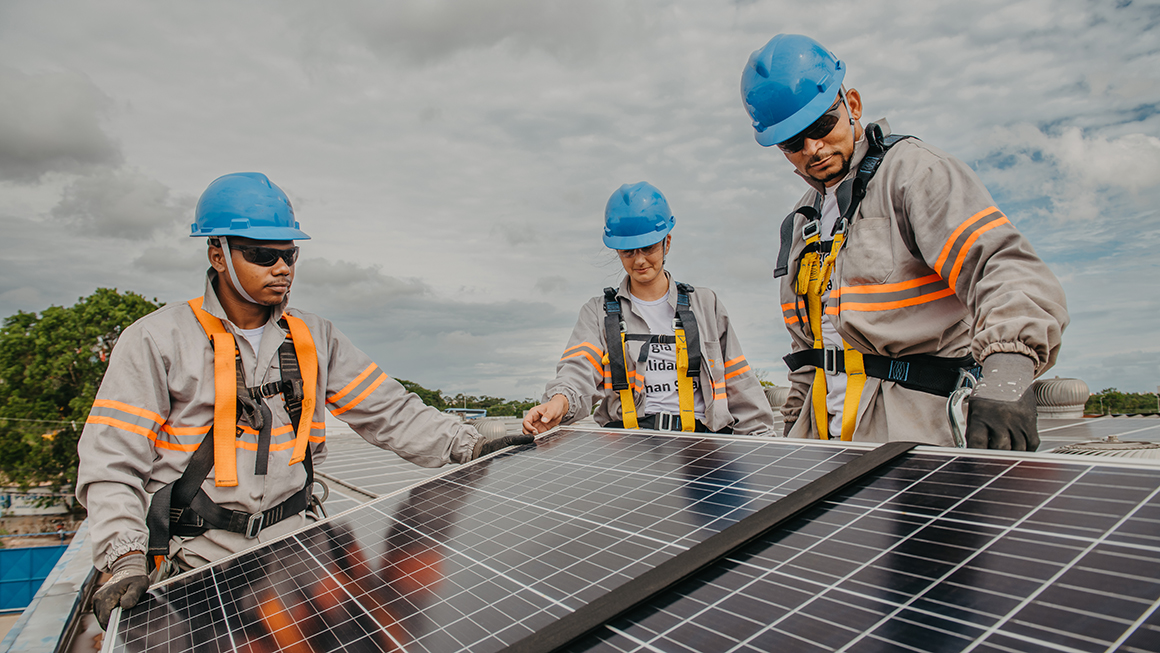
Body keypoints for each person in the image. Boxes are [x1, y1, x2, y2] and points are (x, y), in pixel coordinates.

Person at [76, 172, 532, 629]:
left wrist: (467, 444)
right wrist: (126, 557)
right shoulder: (158, 340)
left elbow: (391, 412)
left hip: (294, 554)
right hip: (197, 562)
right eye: (262, 255)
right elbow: (112, 462)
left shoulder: (314, 338)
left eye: (290, 254)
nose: (283, 268)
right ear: (218, 254)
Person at [740, 34, 1068, 449]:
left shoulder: (916, 174)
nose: (813, 148)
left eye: (822, 126)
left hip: (911, 433)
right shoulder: (800, 222)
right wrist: (792, 433)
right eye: (792, 143)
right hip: (823, 439)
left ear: (852, 105)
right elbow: (807, 351)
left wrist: (1006, 374)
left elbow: (1002, 269)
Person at [523, 182, 774, 436]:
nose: (640, 260)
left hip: (702, 445)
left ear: (667, 242)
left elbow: (740, 382)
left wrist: (763, 444)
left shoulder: (706, 304)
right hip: (629, 445)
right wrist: (558, 402)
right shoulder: (598, 313)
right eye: (628, 252)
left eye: (648, 247)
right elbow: (577, 370)